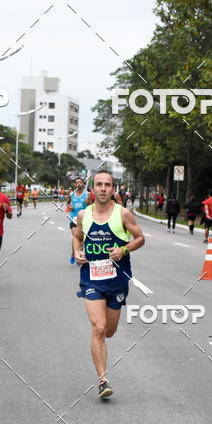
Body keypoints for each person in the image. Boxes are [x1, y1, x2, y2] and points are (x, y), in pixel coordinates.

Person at [73, 169, 145, 399]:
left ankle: (102, 370)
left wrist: (123, 249)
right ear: (92, 189)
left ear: (113, 190)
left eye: (107, 185)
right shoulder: (84, 215)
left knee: (110, 331)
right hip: (91, 278)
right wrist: (77, 251)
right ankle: (103, 380)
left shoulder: (123, 214)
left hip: (117, 280)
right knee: (99, 327)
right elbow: (76, 236)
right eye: (99, 184)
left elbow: (140, 238)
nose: (103, 188)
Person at [67, 177, 90, 264]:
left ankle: (78, 254)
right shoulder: (72, 194)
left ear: (83, 184)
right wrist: (69, 207)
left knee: (82, 239)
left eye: (80, 182)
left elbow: (92, 205)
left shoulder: (87, 194)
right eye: (77, 183)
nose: (78, 184)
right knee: (76, 237)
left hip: (84, 219)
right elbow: (67, 202)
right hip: (74, 219)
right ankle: (75, 254)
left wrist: (88, 202)